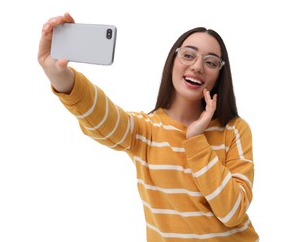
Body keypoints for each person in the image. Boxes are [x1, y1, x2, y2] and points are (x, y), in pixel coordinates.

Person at [38, 13, 259, 241]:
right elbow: (99, 116)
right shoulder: (146, 130)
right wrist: (59, 76)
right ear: (172, 61)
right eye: (188, 55)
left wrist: (196, 141)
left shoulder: (235, 130)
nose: (197, 66)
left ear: (219, 76)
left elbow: (233, 212)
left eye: (211, 62)